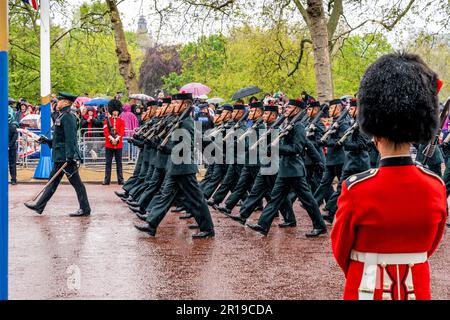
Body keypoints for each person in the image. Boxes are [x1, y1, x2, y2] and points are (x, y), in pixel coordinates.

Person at [331, 53, 447, 300]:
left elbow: (341, 250)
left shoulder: (356, 189)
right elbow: (430, 246)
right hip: (417, 288)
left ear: (376, 135)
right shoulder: (435, 186)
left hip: (364, 287)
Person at [134, 92, 215, 239]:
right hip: (176, 166)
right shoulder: (179, 120)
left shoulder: (187, 122)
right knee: (165, 195)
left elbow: (186, 146)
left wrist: (167, 148)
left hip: (184, 166)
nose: (174, 106)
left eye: (177, 104)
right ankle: (152, 225)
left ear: (185, 105)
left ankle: (208, 229)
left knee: (196, 199)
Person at [246, 99, 327, 237]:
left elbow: (297, 148)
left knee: (308, 200)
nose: (286, 109)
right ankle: (263, 224)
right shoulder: (289, 124)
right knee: (275, 198)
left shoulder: (299, 126)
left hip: (294, 170)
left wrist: (276, 148)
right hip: (285, 169)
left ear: (296, 110)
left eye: (289, 108)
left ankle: (320, 226)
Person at [24, 92, 91, 217]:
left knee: (76, 184)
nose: (57, 102)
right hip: (61, 156)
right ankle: (39, 206)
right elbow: (59, 139)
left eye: (60, 100)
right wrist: (47, 141)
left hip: (66, 158)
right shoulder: (62, 116)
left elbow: (70, 139)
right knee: (53, 182)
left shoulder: (68, 117)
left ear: (66, 102)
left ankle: (85, 208)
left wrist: (70, 156)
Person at [103, 99, 125, 185]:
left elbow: (122, 131)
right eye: (114, 111)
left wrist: (117, 138)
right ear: (112, 111)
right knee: (108, 163)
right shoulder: (107, 120)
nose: (115, 113)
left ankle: (121, 179)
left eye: (116, 111)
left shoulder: (121, 121)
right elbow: (105, 131)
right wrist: (111, 139)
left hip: (118, 145)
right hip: (109, 144)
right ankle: (106, 180)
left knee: (119, 163)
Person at [8, 106, 18, 185]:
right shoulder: (14, 125)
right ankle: (13, 179)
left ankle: (13, 179)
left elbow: (15, 137)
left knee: (12, 164)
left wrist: (8, 145)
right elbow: (15, 137)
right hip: (11, 147)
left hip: (10, 147)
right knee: (12, 164)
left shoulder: (13, 126)